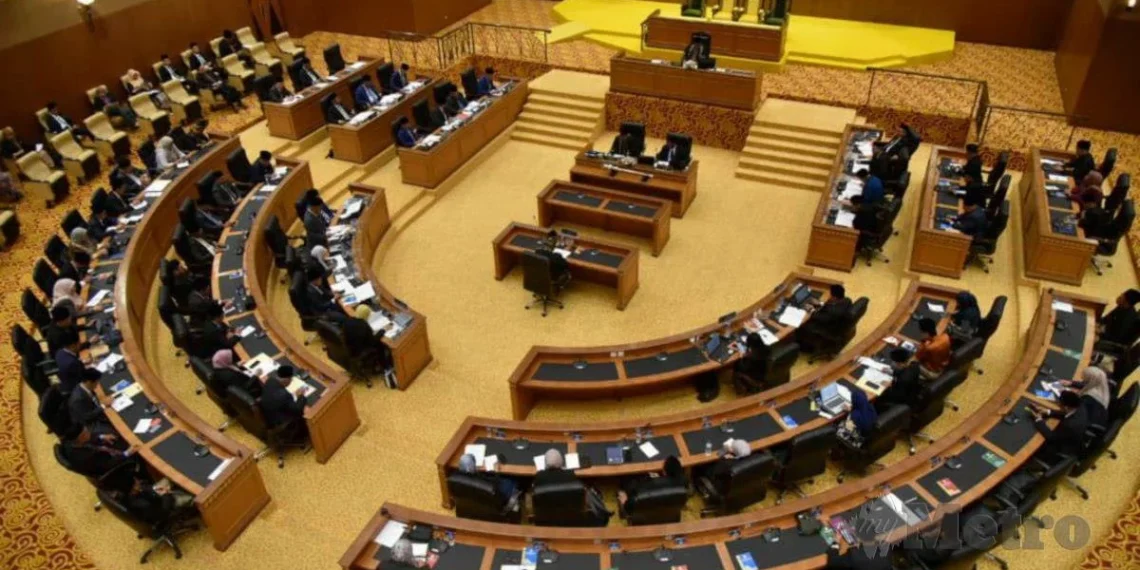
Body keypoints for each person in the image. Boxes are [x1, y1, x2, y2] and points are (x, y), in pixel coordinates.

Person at [534, 448, 611, 524]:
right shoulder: (571, 476)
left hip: (548, 521)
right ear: (561, 463)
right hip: (575, 520)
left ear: (545, 464)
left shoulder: (539, 477)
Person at [1030, 390, 1090, 466]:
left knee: (1037, 446)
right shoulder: (1080, 406)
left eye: (1060, 404)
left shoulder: (1070, 425)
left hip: (1066, 448)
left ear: (1066, 407)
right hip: (1078, 440)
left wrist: (1038, 420)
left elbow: (1051, 437)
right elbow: (1067, 413)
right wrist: (1048, 412)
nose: (1058, 405)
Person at [618, 455, 686, 515]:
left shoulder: (645, 488)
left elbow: (629, 507)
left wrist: (624, 501)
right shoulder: (683, 487)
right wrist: (659, 479)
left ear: (664, 471)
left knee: (624, 488)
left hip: (642, 519)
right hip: (668, 516)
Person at [796, 284, 853, 352]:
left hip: (830, 329)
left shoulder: (833, 312)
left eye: (829, 294)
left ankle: (805, 347)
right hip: (838, 323)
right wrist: (820, 303)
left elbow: (819, 317)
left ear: (834, 297)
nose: (828, 296)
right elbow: (832, 306)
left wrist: (811, 309)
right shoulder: (847, 300)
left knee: (803, 324)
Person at [58, 425, 132, 476]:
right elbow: (108, 464)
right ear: (81, 438)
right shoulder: (87, 457)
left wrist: (102, 437)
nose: (89, 433)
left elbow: (89, 438)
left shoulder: (68, 441)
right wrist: (127, 453)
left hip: (99, 454)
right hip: (107, 466)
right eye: (86, 433)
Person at [258, 366, 308, 433]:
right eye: (291, 379)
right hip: (280, 422)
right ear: (286, 380)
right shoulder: (284, 395)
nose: (291, 381)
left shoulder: (270, 381)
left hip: (268, 414)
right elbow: (297, 410)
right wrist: (300, 396)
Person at [68, 368, 112, 433]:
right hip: (88, 425)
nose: (97, 384)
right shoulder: (78, 399)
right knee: (114, 430)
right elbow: (87, 416)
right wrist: (103, 406)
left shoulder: (83, 386)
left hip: (93, 412)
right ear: (89, 382)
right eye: (96, 382)